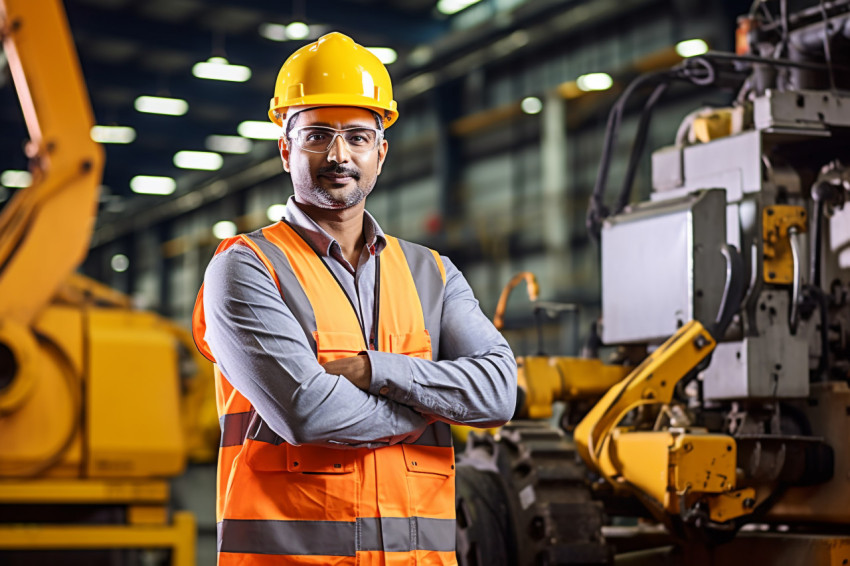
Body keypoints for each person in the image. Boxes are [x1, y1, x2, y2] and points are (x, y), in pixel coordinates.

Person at [192, 32, 517, 566]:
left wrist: (375, 372)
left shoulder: (432, 272)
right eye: (318, 135)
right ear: (286, 149)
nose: (339, 154)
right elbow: (306, 411)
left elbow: (500, 393)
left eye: (358, 137)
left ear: (380, 153)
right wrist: (431, 410)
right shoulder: (247, 267)